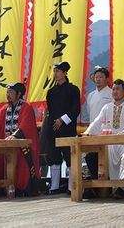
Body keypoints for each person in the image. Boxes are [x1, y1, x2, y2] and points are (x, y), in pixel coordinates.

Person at [83, 79, 124, 199]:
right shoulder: (107, 107)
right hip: (110, 145)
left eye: (118, 89)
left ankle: (123, 189)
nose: (114, 92)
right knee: (92, 156)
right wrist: (87, 133)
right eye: (113, 89)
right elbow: (96, 122)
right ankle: (102, 189)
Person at [0, 82, 40, 196]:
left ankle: (23, 189)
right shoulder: (4, 109)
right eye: (7, 92)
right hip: (6, 145)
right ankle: (5, 188)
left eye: (10, 92)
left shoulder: (26, 107)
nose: (8, 95)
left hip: (22, 147)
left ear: (18, 94)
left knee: (23, 166)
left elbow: (26, 126)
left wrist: (14, 136)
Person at [43, 62, 81, 194]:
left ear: (65, 73)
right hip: (53, 128)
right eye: (55, 71)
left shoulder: (73, 89)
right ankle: (54, 186)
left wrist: (62, 120)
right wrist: (51, 124)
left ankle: (71, 187)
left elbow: (75, 109)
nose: (56, 73)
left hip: (67, 129)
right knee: (53, 157)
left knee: (70, 158)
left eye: (58, 71)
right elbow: (50, 111)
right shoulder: (51, 92)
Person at [85, 66, 113, 181]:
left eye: (101, 77)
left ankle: (108, 183)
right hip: (93, 132)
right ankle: (96, 183)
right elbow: (89, 112)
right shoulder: (90, 95)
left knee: (107, 158)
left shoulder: (111, 93)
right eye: (96, 77)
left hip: (107, 131)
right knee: (91, 157)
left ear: (106, 79)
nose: (98, 79)